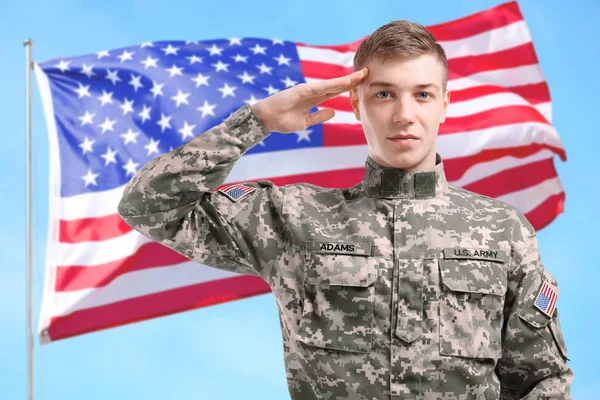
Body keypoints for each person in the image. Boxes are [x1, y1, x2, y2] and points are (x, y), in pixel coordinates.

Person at [117, 20, 573, 399]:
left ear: (445, 105)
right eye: (384, 94)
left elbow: (542, 379)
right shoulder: (293, 217)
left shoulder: (502, 231)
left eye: (423, 94)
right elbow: (147, 205)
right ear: (355, 102)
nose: (404, 115)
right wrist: (257, 121)